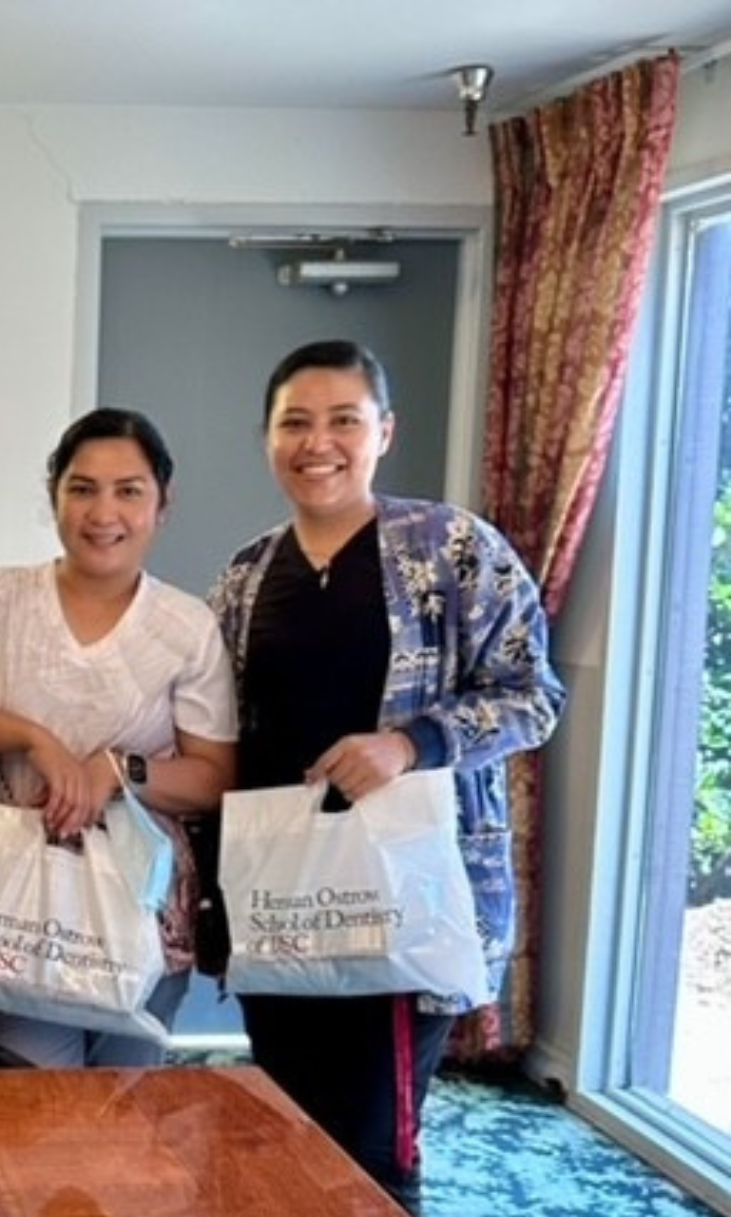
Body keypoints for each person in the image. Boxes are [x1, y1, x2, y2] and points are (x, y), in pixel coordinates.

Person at [207, 339, 565, 1214]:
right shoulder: (245, 577)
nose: (316, 442)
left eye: (342, 420)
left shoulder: (452, 549)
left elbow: (534, 696)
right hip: (285, 898)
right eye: (294, 422)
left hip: (406, 898)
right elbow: (217, 730)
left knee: (371, 1144)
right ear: (266, 437)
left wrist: (410, 743)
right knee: (285, 1122)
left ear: (383, 431)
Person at [0, 407, 236, 1067]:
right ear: (54, 496)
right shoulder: (0, 598)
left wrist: (117, 768)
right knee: (30, 1108)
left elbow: (214, 777)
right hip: (13, 907)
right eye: (81, 487)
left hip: (141, 917)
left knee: (125, 1113)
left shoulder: (185, 626)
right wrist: (32, 738)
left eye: (127, 490)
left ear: (161, 504)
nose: (102, 511)